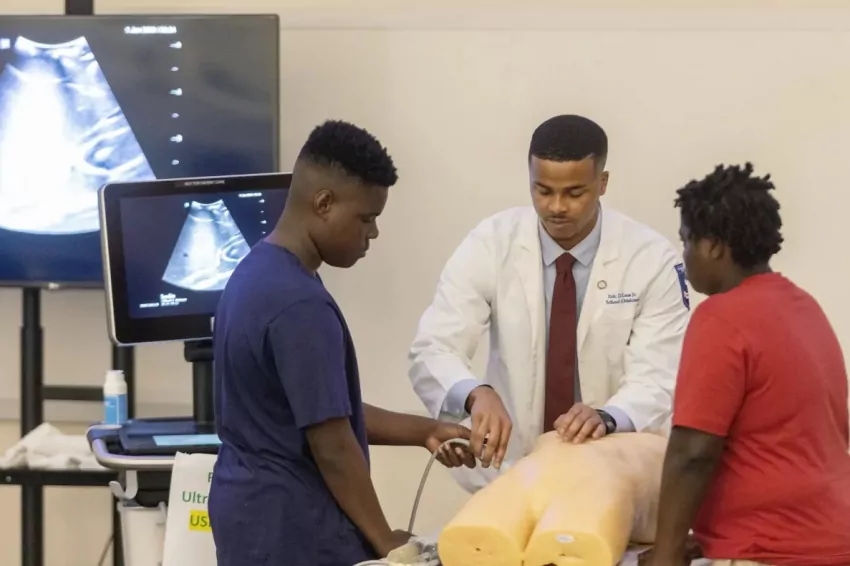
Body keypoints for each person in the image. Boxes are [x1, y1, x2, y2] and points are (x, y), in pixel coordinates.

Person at [209, 120, 476, 566]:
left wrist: (424, 431)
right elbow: (332, 445)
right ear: (324, 203)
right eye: (366, 219)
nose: (373, 233)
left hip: (250, 518)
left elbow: (322, 409)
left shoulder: (255, 273)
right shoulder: (299, 305)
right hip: (296, 531)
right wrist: (386, 542)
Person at [408, 114, 691, 492]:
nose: (556, 206)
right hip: (509, 470)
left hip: (611, 469)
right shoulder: (491, 243)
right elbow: (434, 347)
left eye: (575, 193)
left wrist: (608, 417)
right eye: (542, 190)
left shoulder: (650, 258)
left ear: (602, 183)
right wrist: (475, 394)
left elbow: (660, 375)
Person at [647, 163, 850, 566]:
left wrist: (665, 554)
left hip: (770, 548)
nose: (684, 255)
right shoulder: (803, 307)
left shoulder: (721, 318)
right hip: (831, 534)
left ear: (713, 246)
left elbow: (693, 451)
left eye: (686, 241)